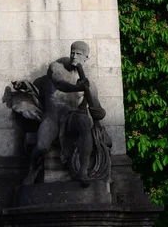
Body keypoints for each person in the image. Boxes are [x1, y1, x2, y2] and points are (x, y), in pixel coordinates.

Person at [12, 41, 107, 187]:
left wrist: (99, 112)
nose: (74, 56)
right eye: (72, 52)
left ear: (86, 58)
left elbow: (98, 110)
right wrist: (77, 87)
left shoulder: (90, 85)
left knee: (84, 122)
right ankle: (33, 169)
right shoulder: (57, 67)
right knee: (42, 146)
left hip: (72, 116)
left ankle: (83, 172)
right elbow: (59, 84)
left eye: (78, 54)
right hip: (52, 115)